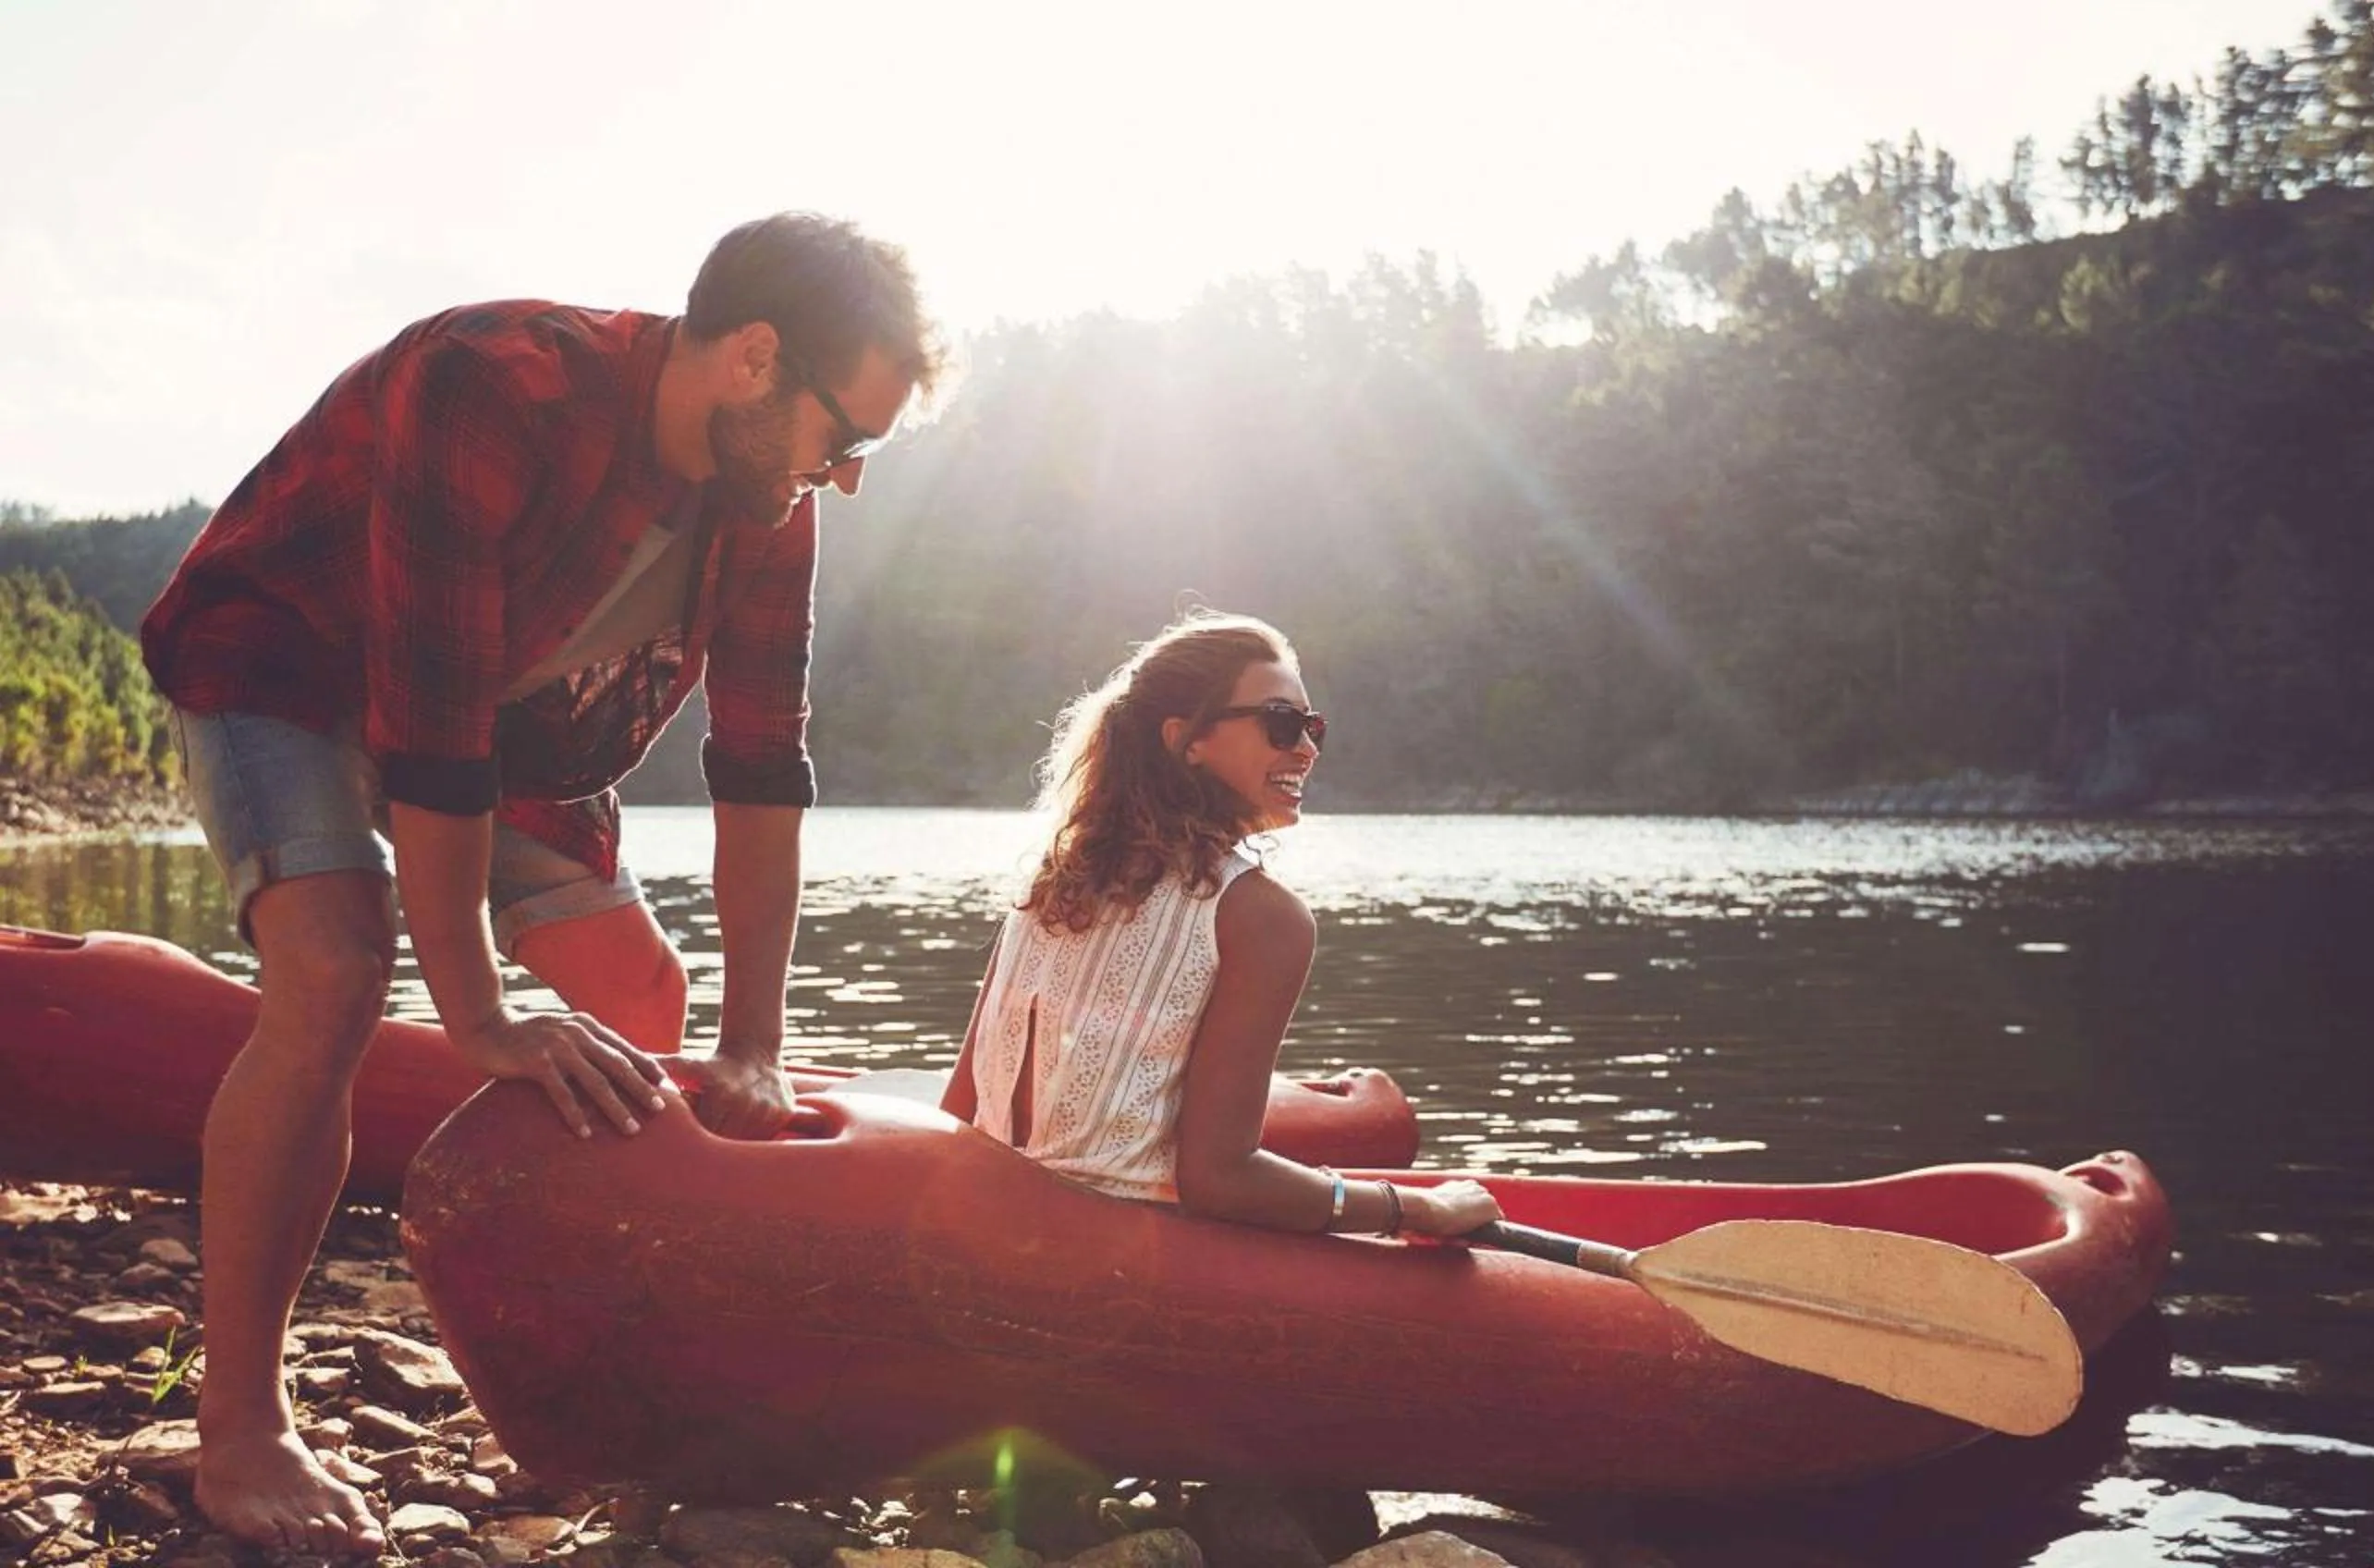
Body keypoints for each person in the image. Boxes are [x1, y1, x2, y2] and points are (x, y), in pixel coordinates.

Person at [137, 212, 946, 1555]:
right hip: (284, 663)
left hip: (507, 723)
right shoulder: (495, 386)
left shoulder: (768, 507)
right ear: (754, 358)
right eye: (843, 440)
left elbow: (760, 771)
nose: (842, 478)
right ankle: (242, 1427)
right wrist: (483, 1016)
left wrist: (755, 1045)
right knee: (338, 972)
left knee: (643, 991)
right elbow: (427, 736)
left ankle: (610, 1358)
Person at [939, 610, 1500, 1241]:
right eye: (1281, 723)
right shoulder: (1261, 919)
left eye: (1311, 727)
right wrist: (1413, 1207)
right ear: (1187, 740)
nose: (1307, 749)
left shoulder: (1051, 883)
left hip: (985, 1228)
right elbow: (1221, 1180)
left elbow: (957, 1116)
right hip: (1120, 1263)